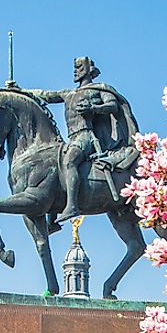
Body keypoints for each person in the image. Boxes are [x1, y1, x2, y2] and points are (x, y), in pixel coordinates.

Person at [32, 57, 139, 223]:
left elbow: (113, 106)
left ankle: (72, 206)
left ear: (89, 70)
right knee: (52, 166)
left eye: (79, 67)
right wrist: (20, 91)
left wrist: (93, 108)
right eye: (74, 68)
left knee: (69, 161)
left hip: (86, 136)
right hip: (72, 138)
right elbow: (46, 95)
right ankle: (51, 218)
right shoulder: (69, 93)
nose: (75, 71)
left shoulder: (99, 89)